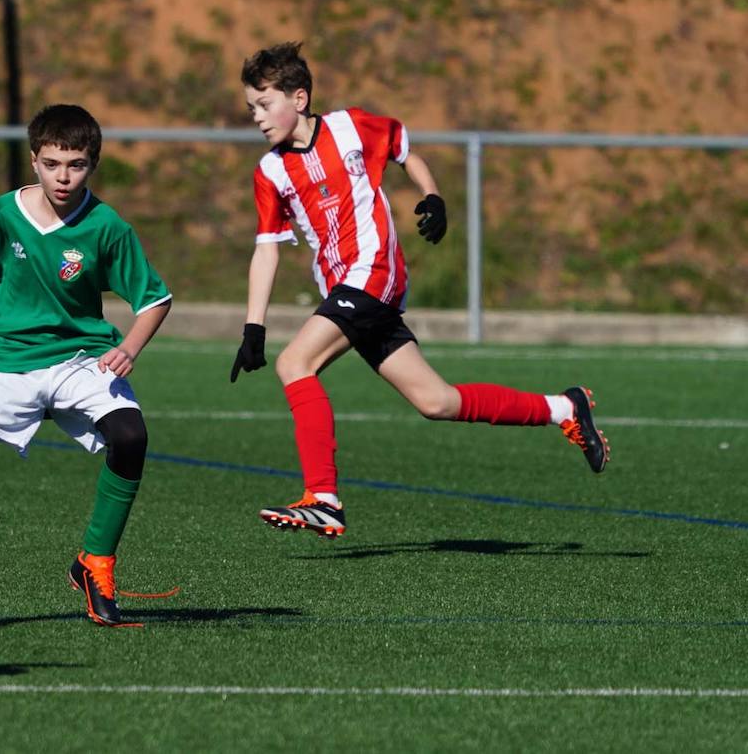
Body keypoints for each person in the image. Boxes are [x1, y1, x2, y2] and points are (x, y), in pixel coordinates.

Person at [230, 42, 609, 538]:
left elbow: (405, 149)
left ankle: (322, 497)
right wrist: (253, 326)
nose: (257, 118)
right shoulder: (270, 171)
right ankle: (564, 406)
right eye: (251, 109)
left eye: (264, 104)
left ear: (299, 99)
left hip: (374, 270)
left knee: (293, 363)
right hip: (346, 288)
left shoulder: (350, 126)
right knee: (437, 401)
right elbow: (267, 249)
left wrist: (433, 195)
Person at [0, 104, 172, 629]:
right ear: (33, 160)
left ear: (93, 163)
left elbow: (155, 299)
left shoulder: (106, 227)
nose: (63, 177)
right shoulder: (1, 216)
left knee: (131, 436)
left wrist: (131, 348)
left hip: (77, 357)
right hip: (2, 356)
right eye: (51, 164)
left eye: (75, 165)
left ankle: (96, 562)